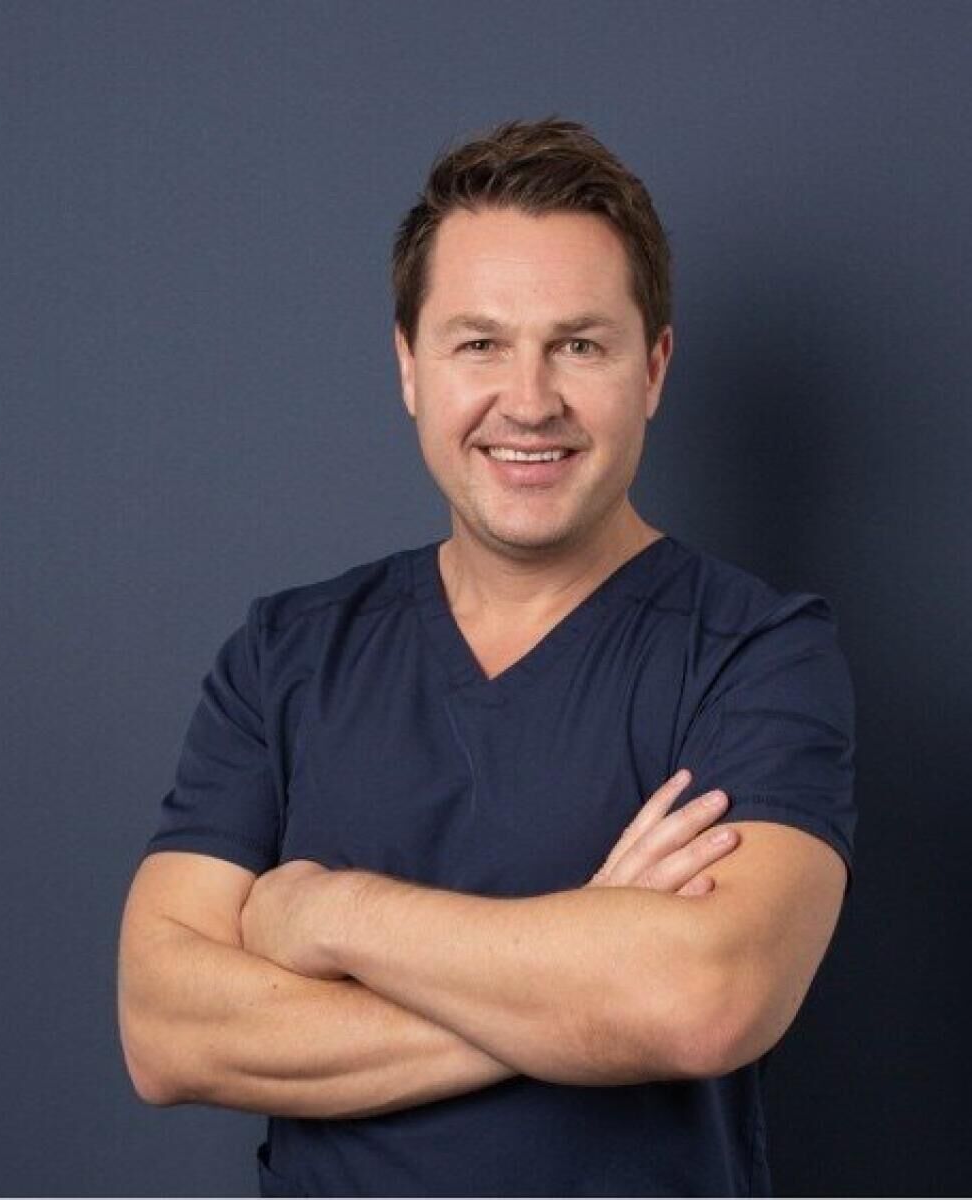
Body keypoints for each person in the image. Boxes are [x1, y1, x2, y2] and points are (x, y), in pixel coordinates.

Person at [118, 117, 856, 1198]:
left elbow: (705, 1003)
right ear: (409, 367)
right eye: (480, 344)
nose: (530, 400)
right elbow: (165, 1030)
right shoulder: (287, 657)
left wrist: (326, 914)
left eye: (580, 345)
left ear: (653, 368)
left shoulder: (754, 655)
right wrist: (590, 973)